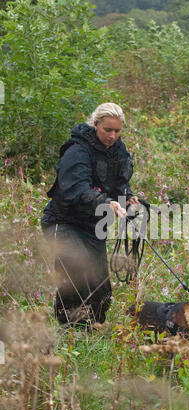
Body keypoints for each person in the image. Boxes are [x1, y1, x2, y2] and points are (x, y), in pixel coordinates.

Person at [41, 103, 138, 326]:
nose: (113, 136)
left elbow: (120, 183)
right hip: (63, 222)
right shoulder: (77, 150)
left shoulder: (118, 150)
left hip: (93, 225)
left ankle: (92, 331)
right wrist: (105, 202)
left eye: (117, 131)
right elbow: (74, 189)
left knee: (101, 291)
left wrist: (127, 198)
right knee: (76, 277)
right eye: (107, 130)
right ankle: (70, 331)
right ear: (96, 125)